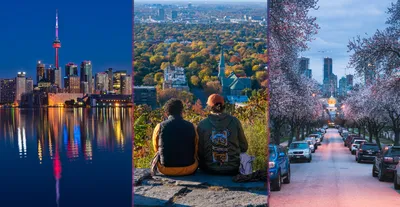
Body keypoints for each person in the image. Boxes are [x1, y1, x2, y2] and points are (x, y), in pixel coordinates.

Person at [197, 94, 248, 175]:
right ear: (223, 106)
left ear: (209, 107)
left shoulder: (202, 124)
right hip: (232, 168)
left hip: (210, 168)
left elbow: (200, 151)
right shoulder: (235, 121)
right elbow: (244, 147)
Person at [151, 98, 199, 176]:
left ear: (166, 113)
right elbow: (196, 147)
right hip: (189, 168)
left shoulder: (159, 126)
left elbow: (156, 148)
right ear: (182, 112)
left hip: (165, 169)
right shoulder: (191, 126)